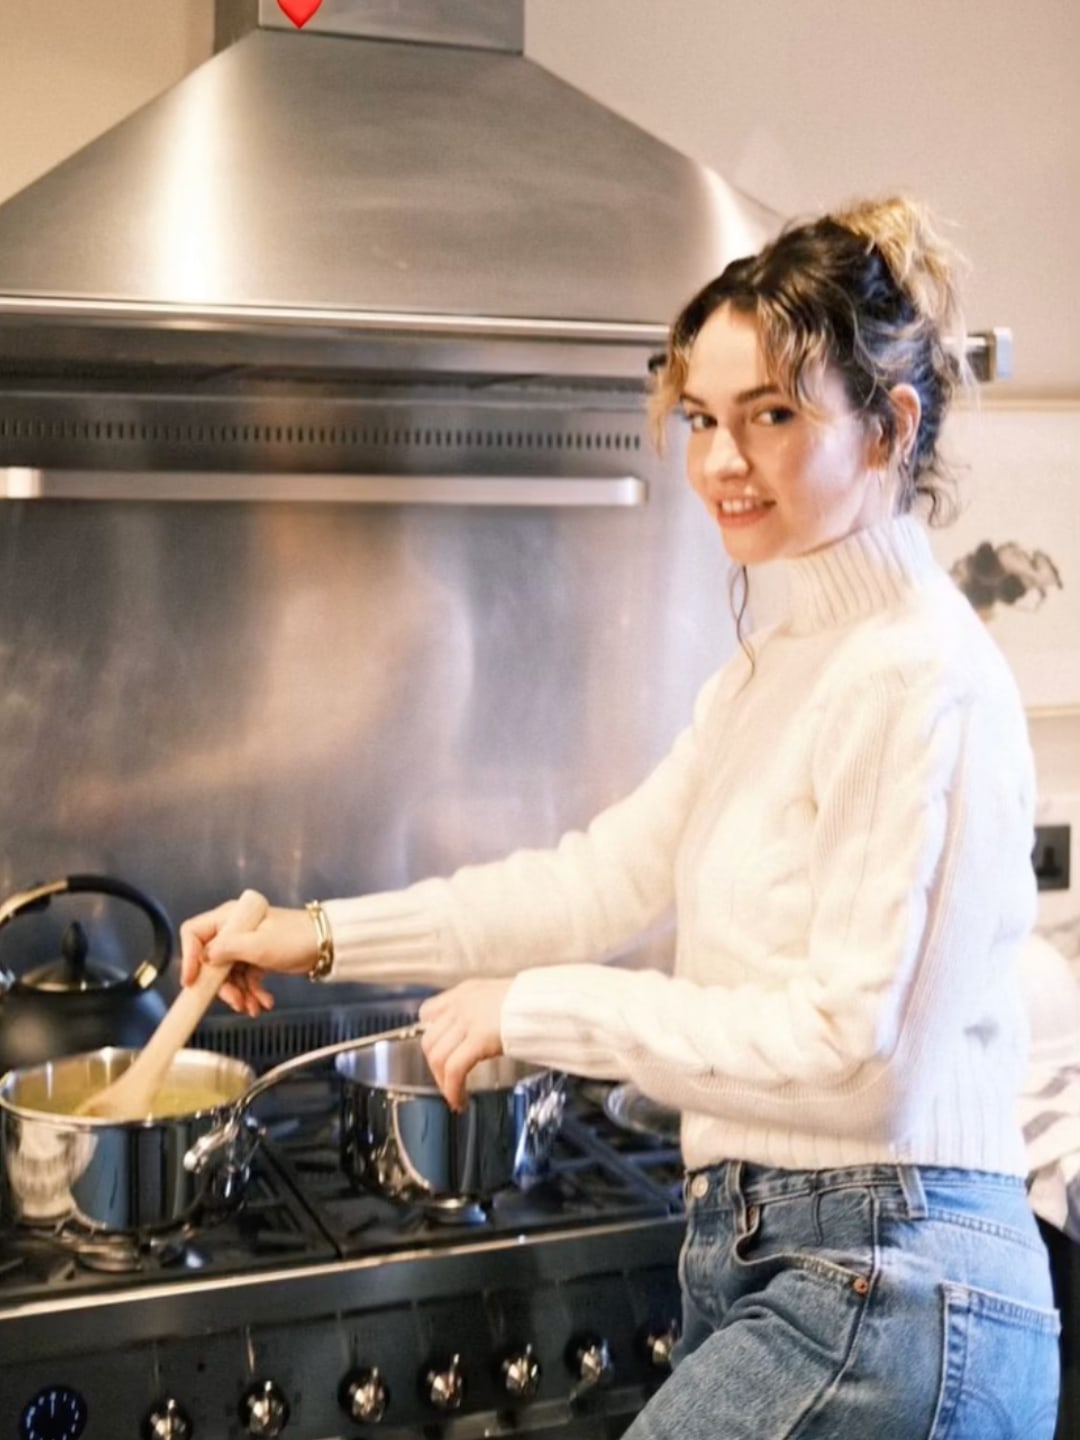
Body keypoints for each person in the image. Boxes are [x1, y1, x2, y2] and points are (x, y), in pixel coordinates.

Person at [180, 196, 1061, 1438]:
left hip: (895, 1285)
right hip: (800, 1266)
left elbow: (853, 1048)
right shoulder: (777, 671)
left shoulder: (913, 669)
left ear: (888, 427)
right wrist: (314, 933)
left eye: (771, 415)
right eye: (702, 417)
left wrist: (538, 1011)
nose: (718, 461)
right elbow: (592, 885)